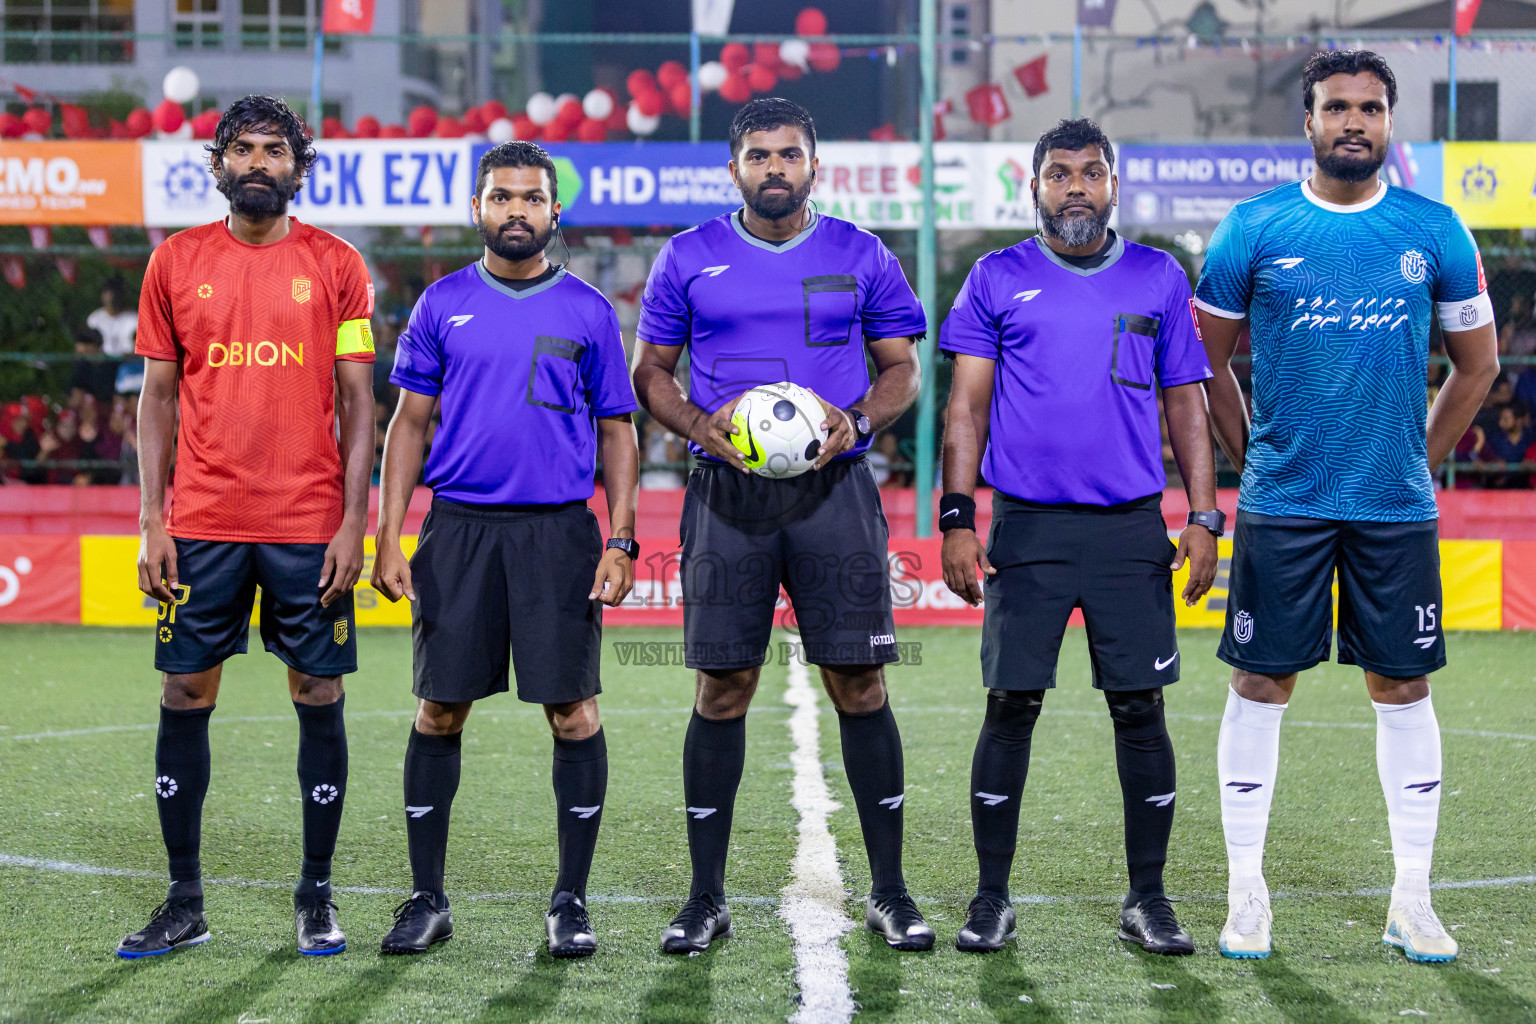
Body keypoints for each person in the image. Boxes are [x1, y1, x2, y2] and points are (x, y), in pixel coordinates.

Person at [1194, 51, 1501, 963]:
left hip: (1394, 506)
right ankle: (1247, 897)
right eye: (1337, 107)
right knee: (1259, 682)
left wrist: (1419, 455)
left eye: (1371, 107)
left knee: (1402, 687)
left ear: (1391, 121)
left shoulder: (1435, 229)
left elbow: (1476, 366)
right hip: (1285, 502)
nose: (1354, 121)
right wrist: (1251, 456)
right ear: (1310, 121)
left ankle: (1414, 900)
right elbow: (1202, 360)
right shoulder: (1254, 227)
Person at [631, 97, 934, 954]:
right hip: (727, 496)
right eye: (759, 155)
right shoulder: (687, 258)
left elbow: (903, 368)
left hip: (835, 493)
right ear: (734, 168)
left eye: (789, 154)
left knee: (861, 685)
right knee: (722, 688)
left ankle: (891, 892)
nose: (775, 168)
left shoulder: (862, 253)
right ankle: (704, 898)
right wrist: (698, 426)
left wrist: (860, 422)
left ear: (812, 164)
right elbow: (649, 372)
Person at [940, 118, 1219, 956]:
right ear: (1034, 187)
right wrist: (958, 515)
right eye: (1058, 173)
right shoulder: (995, 277)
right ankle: (991, 897)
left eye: (1091, 173)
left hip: (1131, 528)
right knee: (1011, 706)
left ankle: (1150, 898)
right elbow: (966, 407)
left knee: (1141, 709)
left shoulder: (1159, 277)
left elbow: (1187, 406)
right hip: (1026, 526)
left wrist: (1204, 515)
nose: (1075, 187)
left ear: (1113, 187)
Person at [118, 95, 376, 959]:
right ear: (218, 163)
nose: (258, 162)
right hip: (201, 525)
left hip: (306, 527)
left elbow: (358, 404)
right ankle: (185, 899)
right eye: (242, 149)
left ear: (301, 167)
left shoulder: (337, 264)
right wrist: (153, 519)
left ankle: (316, 895)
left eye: (275, 150)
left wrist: (353, 524)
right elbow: (156, 399)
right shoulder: (175, 261)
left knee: (319, 693)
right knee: (184, 693)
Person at [371, 141, 641, 959]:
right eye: (501, 197)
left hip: (559, 533)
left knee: (573, 712)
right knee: (438, 709)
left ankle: (570, 901)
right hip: (456, 531)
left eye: (531, 198)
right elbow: (408, 425)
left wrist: (621, 536)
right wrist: (390, 532)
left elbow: (618, 431)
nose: (516, 210)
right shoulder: (440, 303)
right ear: (479, 209)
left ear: (555, 212)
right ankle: (427, 899)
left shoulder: (590, 310)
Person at [1474, 402, 1534, 488]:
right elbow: (1480, 460)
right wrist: (1493, 463)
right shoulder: (1493, 438)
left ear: (1519, 421)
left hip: (1523, 490)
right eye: (1500, 418)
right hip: (1496, 489)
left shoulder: (1530, 439)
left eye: (1506, 419)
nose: (1500, 423)